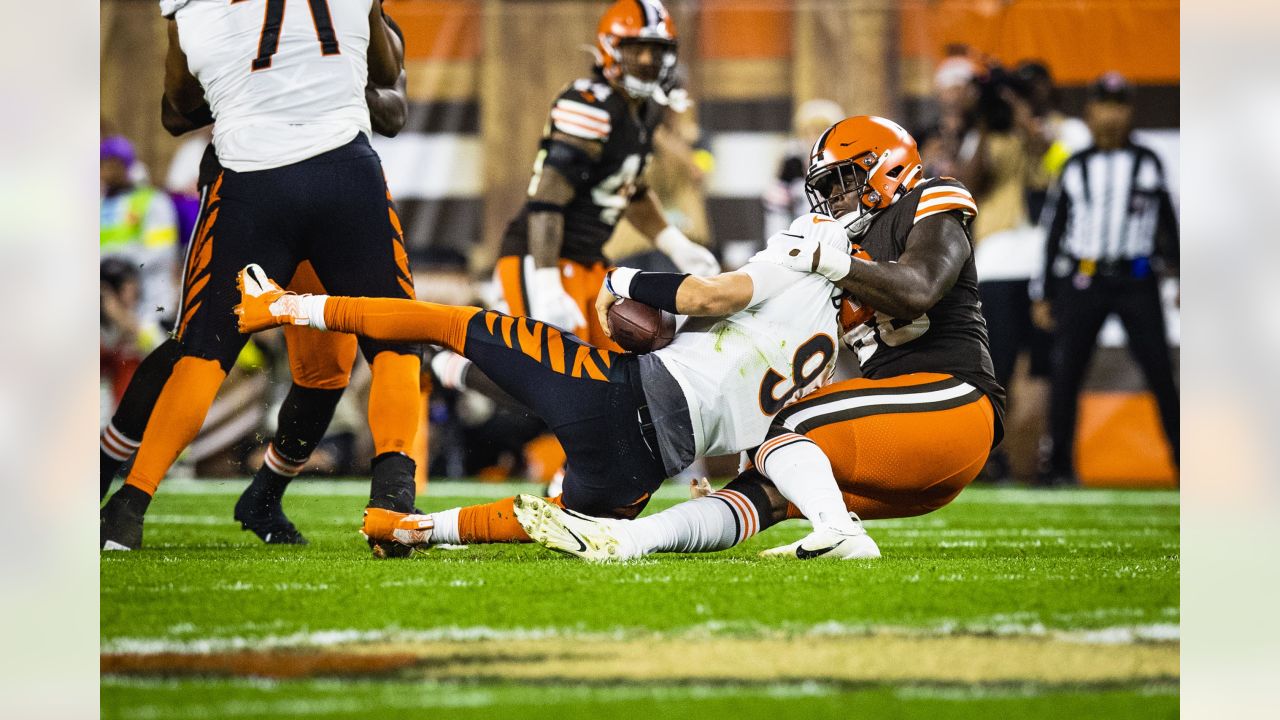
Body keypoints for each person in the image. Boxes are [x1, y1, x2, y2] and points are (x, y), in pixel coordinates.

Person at [512, 116, 1005, 562]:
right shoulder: (840, 250)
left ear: (888, 167)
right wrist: (751, 455)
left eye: (844, 179)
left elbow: (917, 290)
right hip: (899, 436)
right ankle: (626, 541)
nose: (834, 197)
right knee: (759, 488)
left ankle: (840, 531)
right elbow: (807, 363)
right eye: (826, 187)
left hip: (955, 402)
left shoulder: (932, 198)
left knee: (786, 426)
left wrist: (823, 260)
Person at [234, 206, 843, 553]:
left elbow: (708, 295)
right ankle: (412, 529)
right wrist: (702, 485)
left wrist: (623, 284)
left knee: (449, 322)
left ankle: (283, 308)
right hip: (646, 466)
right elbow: (751, 425)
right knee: (559, 515)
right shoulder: (824, 350)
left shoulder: (802, 260)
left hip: (613, 391)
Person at [100, 0, 421, 552]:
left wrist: (287, 79)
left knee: (324, 371)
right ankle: (111, 479)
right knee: (196, 347)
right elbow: (177, 116)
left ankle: (266, 496)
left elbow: (393, 109)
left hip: (277, 175)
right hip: (287, 175)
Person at [492, 0, 717, 351]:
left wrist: (677, 245)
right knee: (549, 373)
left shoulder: (647, 111)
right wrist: (547, 281)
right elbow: (547, 198)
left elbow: (633, 192)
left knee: (610, 373)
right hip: (540, 256)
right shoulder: (590, 104)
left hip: (591, 259)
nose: (646, 61)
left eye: (655, 51)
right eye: (636, 49)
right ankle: (450, 367)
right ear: (611, 49)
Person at [1032, 72, 1180, 486]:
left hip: (1137, 280)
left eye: (1119, 106)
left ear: (1129, 112)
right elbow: (1055, 231)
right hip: (1084, 279)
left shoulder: (1147, 162)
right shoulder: (1076, 166)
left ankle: (1185, 463)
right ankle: (1059, 466)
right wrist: (1043, 292)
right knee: (1066, 373)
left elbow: (1168, 222)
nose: (1111, 115)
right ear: (1090, 111)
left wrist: (1183, 273)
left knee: (1160, 373)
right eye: (1103, 105)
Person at [100, 135, 180, 326]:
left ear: (124, 164)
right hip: (110, 298)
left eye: (109, 163)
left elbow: (163, 250)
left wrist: (122, 263)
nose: (103, 170)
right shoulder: (100, 204)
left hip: (150, 298)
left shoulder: (153, 200)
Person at [762, 98, 845, 239]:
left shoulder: (845, 164)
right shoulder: (791, 161)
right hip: (799, 237)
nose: (814, 137)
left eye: (821, 130)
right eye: (808, 131)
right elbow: (776, 210)